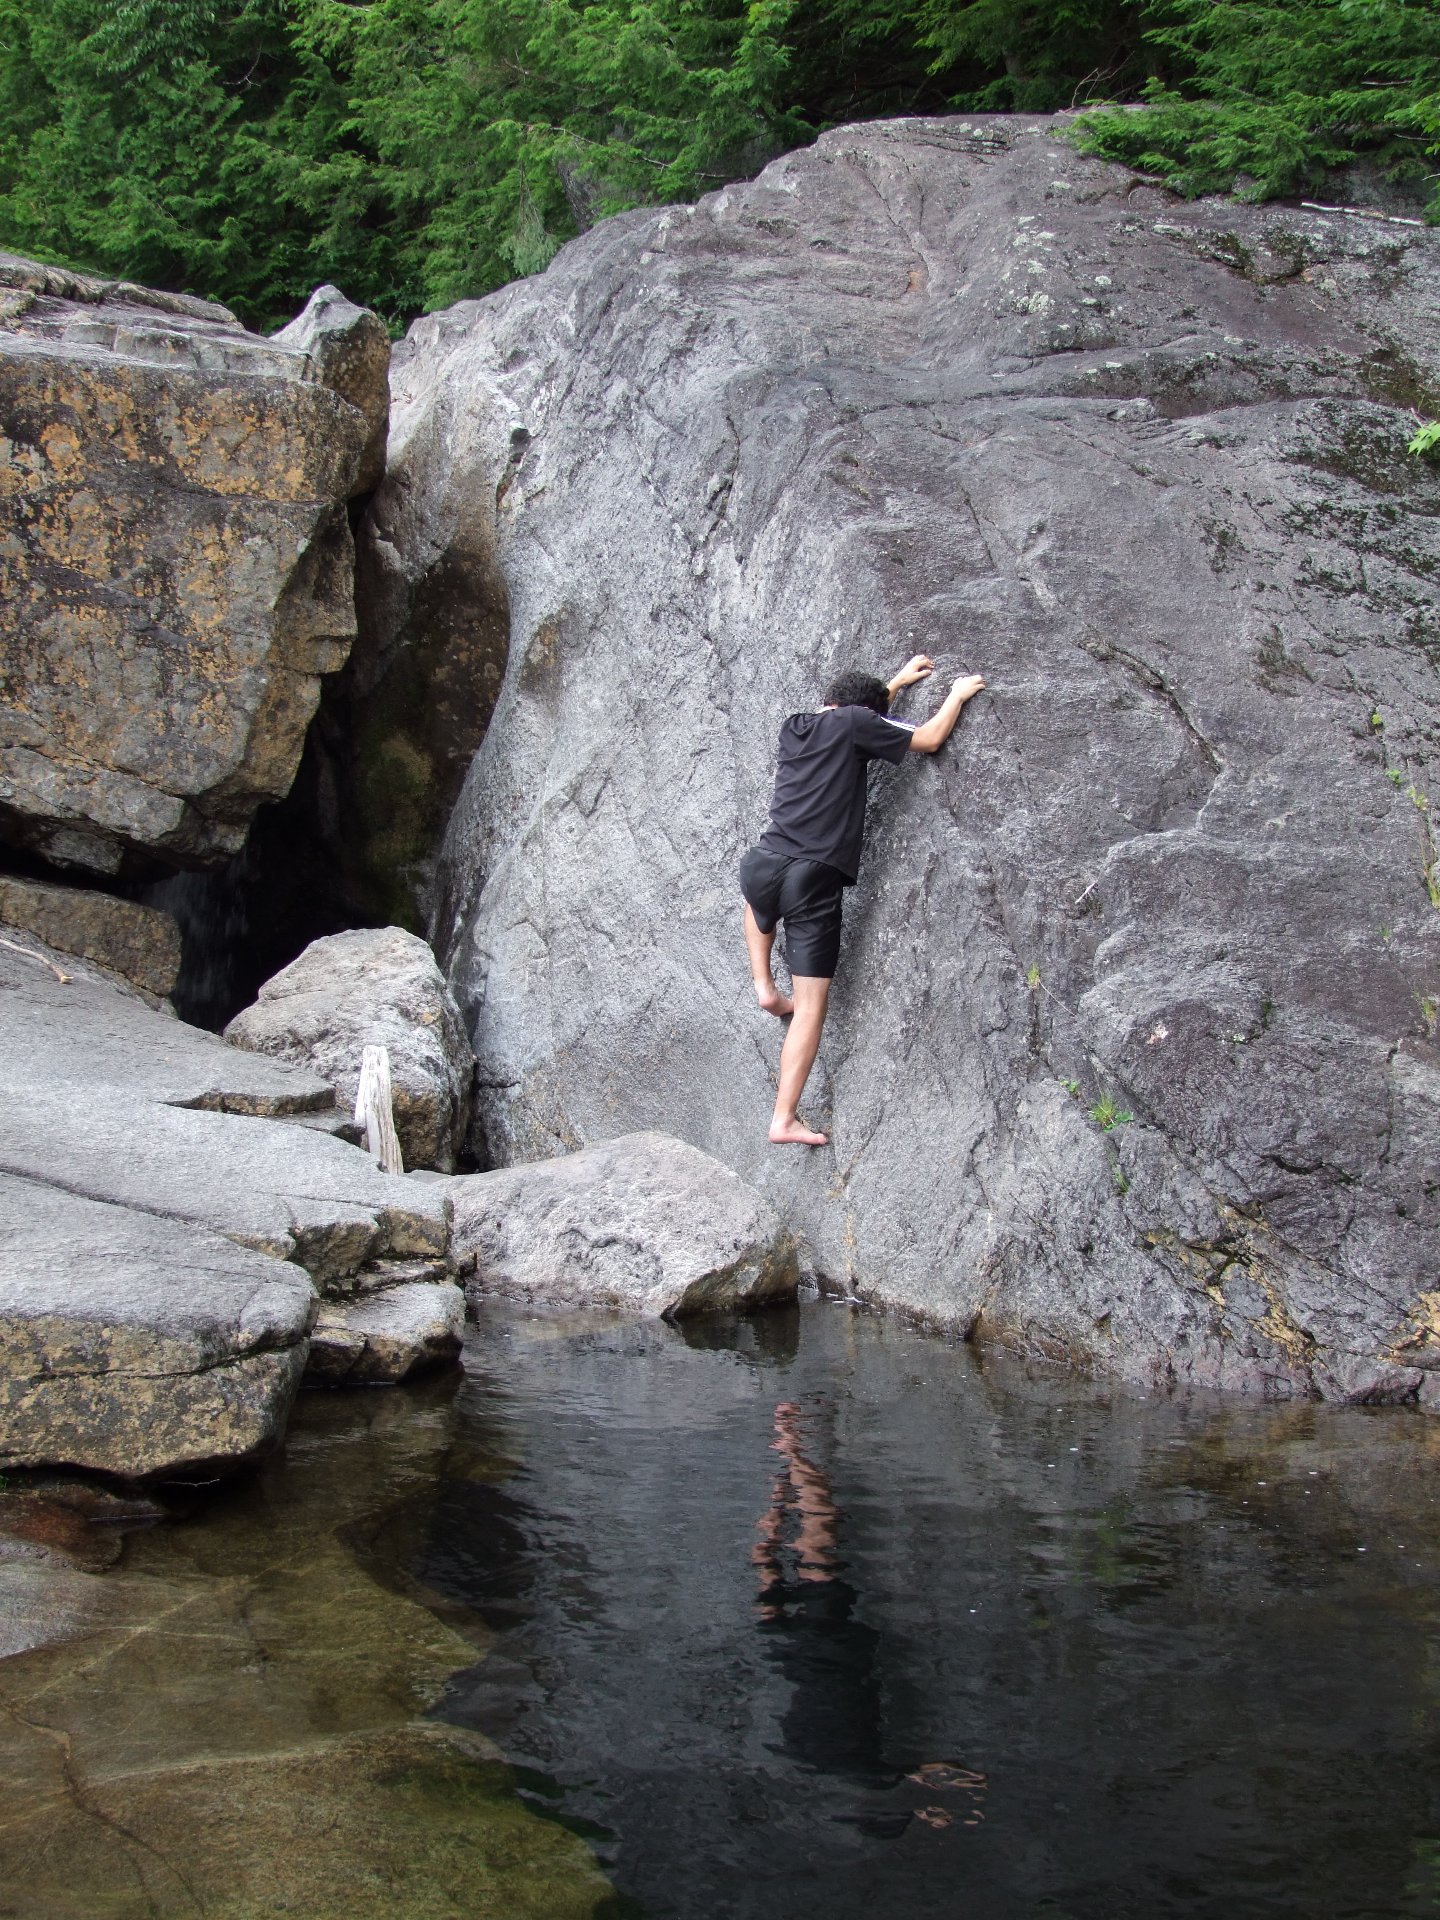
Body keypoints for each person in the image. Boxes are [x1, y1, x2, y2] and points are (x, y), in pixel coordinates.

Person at [740, 655, 985, 1146]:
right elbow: (929, 739)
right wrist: (956, 696)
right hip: (812, 877)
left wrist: (895, 682)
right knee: (811, 1006)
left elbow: (852, 715)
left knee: (758, 903)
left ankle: (765, 986)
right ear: (868, 714)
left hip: (761, 863)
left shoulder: (795, 726)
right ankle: (783, 1119)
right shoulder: (858, 723)